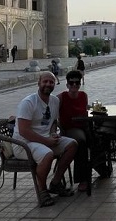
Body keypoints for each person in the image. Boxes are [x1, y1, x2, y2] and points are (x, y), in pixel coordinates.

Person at [12, 71, 77, 206]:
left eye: (51, 82)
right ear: (39, 83)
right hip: (24, 143)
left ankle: (56, 183)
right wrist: (47, 141)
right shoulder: (28, 102)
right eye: (45, 81)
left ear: (55, 84)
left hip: (45, 139)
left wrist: (53, 133)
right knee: (47, 154)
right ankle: (42, 191)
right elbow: (24, 131)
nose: (48, 84)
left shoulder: (54, 101)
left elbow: (52, 121)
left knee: (72, 144)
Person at [57, 70, 90, 193]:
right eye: (72, 83)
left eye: (77, 83)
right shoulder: (61, 98)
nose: (75, 85)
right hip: (70, 129)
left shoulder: (83, 96)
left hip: (84, 126)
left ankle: (103, 169)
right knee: (80, 141)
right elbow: (53, 115)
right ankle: (82, 179)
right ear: (67, 85)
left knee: (99, 137)